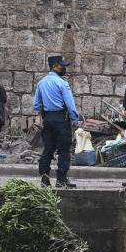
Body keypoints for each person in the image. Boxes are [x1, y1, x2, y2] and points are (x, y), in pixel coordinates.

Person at [32, 54, 81, 188]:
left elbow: (36, 105)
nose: (64, 68)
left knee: (48, 149)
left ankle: (44, 177)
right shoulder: (62, 83)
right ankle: (61, 179)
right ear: (54, 66)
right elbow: (70, 104)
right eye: (62, 65)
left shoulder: (41, 83)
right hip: (61, 120)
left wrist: (41, 116)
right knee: (64, 150)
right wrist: (75, 119)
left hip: (47, 119)